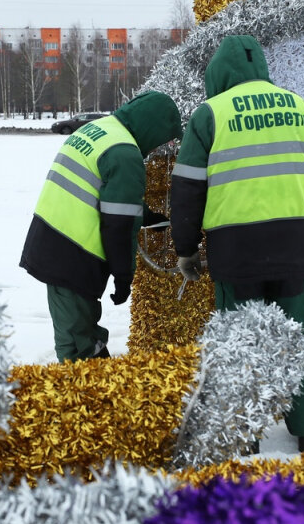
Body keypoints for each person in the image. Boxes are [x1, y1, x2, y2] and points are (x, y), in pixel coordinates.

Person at [170, 35, 304, 453]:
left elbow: (187, 190)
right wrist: (301, 216)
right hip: (295, 248)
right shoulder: (301, 108)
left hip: (236, 252)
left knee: (239, 342)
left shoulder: (211, 114)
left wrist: (186, 249)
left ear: (218, 76)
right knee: (299, 337)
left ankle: (243, 436)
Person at [20, 91, 182, 362]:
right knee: (78, 343)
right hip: (73, 256)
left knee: (78, 334)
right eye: (161, 142)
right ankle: (85, 399)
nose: (157, 149)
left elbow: (100, 190)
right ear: (153, 128)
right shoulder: (125, 154)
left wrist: (146, 215)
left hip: (52, 242)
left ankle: (90, 389)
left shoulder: (99, 130)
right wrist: (123, 277)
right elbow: (118, 225)